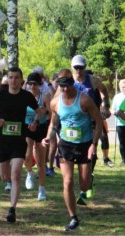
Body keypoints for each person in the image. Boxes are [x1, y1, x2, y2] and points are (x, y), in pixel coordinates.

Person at [42, 69, 102, 231]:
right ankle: (73, 218)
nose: (66, 89)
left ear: (73, 83)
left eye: (68, 85)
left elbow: (98, 121)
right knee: (67, 182)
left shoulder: (84, 100)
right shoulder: (55, 103)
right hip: (66, 145)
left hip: (84, 145)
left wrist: (94, 145)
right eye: (62, 87)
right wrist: (49, 136)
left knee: (84, 186)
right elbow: (53, 125)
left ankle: (89, 181)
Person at [0, 67, 42, 223]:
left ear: (21, 80)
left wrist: (35, 122)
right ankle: (8, 187)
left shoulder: (26, 96)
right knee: (5, 176)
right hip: (2, 141)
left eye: (16, 78)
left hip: (18, 141)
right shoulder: (0, 95)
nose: (13, 80)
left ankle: (12, 210)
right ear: (7, 79)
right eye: (10, 77)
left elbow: (40, 111)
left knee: (15, 175)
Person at [69, 55, 111, 198]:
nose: (79, 71)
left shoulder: (92, 80)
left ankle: (89, 176)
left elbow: (104, 91)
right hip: (75, 120)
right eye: (76, 68)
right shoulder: (69, 81)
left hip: (91, 118)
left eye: (81, 68)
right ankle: (80, 177)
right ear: (72, 67)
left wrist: (105, 105)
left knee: (91, 150)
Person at [23, 72, 51, 201]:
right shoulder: (24, 97)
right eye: (30, 83)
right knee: (27, 154)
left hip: (41, 128)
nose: (32, 86)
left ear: (39, 84)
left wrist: (40, 120)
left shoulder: (44, 97)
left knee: (40, 161)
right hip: (27, 127)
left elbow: (50, 113)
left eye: (35, 83)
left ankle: (41, 189)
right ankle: (29, 172)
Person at [112, 79, 125, 164]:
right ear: (120, 87)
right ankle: (123, 159)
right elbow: (112, 109)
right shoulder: (117, 97)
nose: (124, 88)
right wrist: (115, 113)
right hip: (120, 123)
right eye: (123, 87)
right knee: (122, 142)